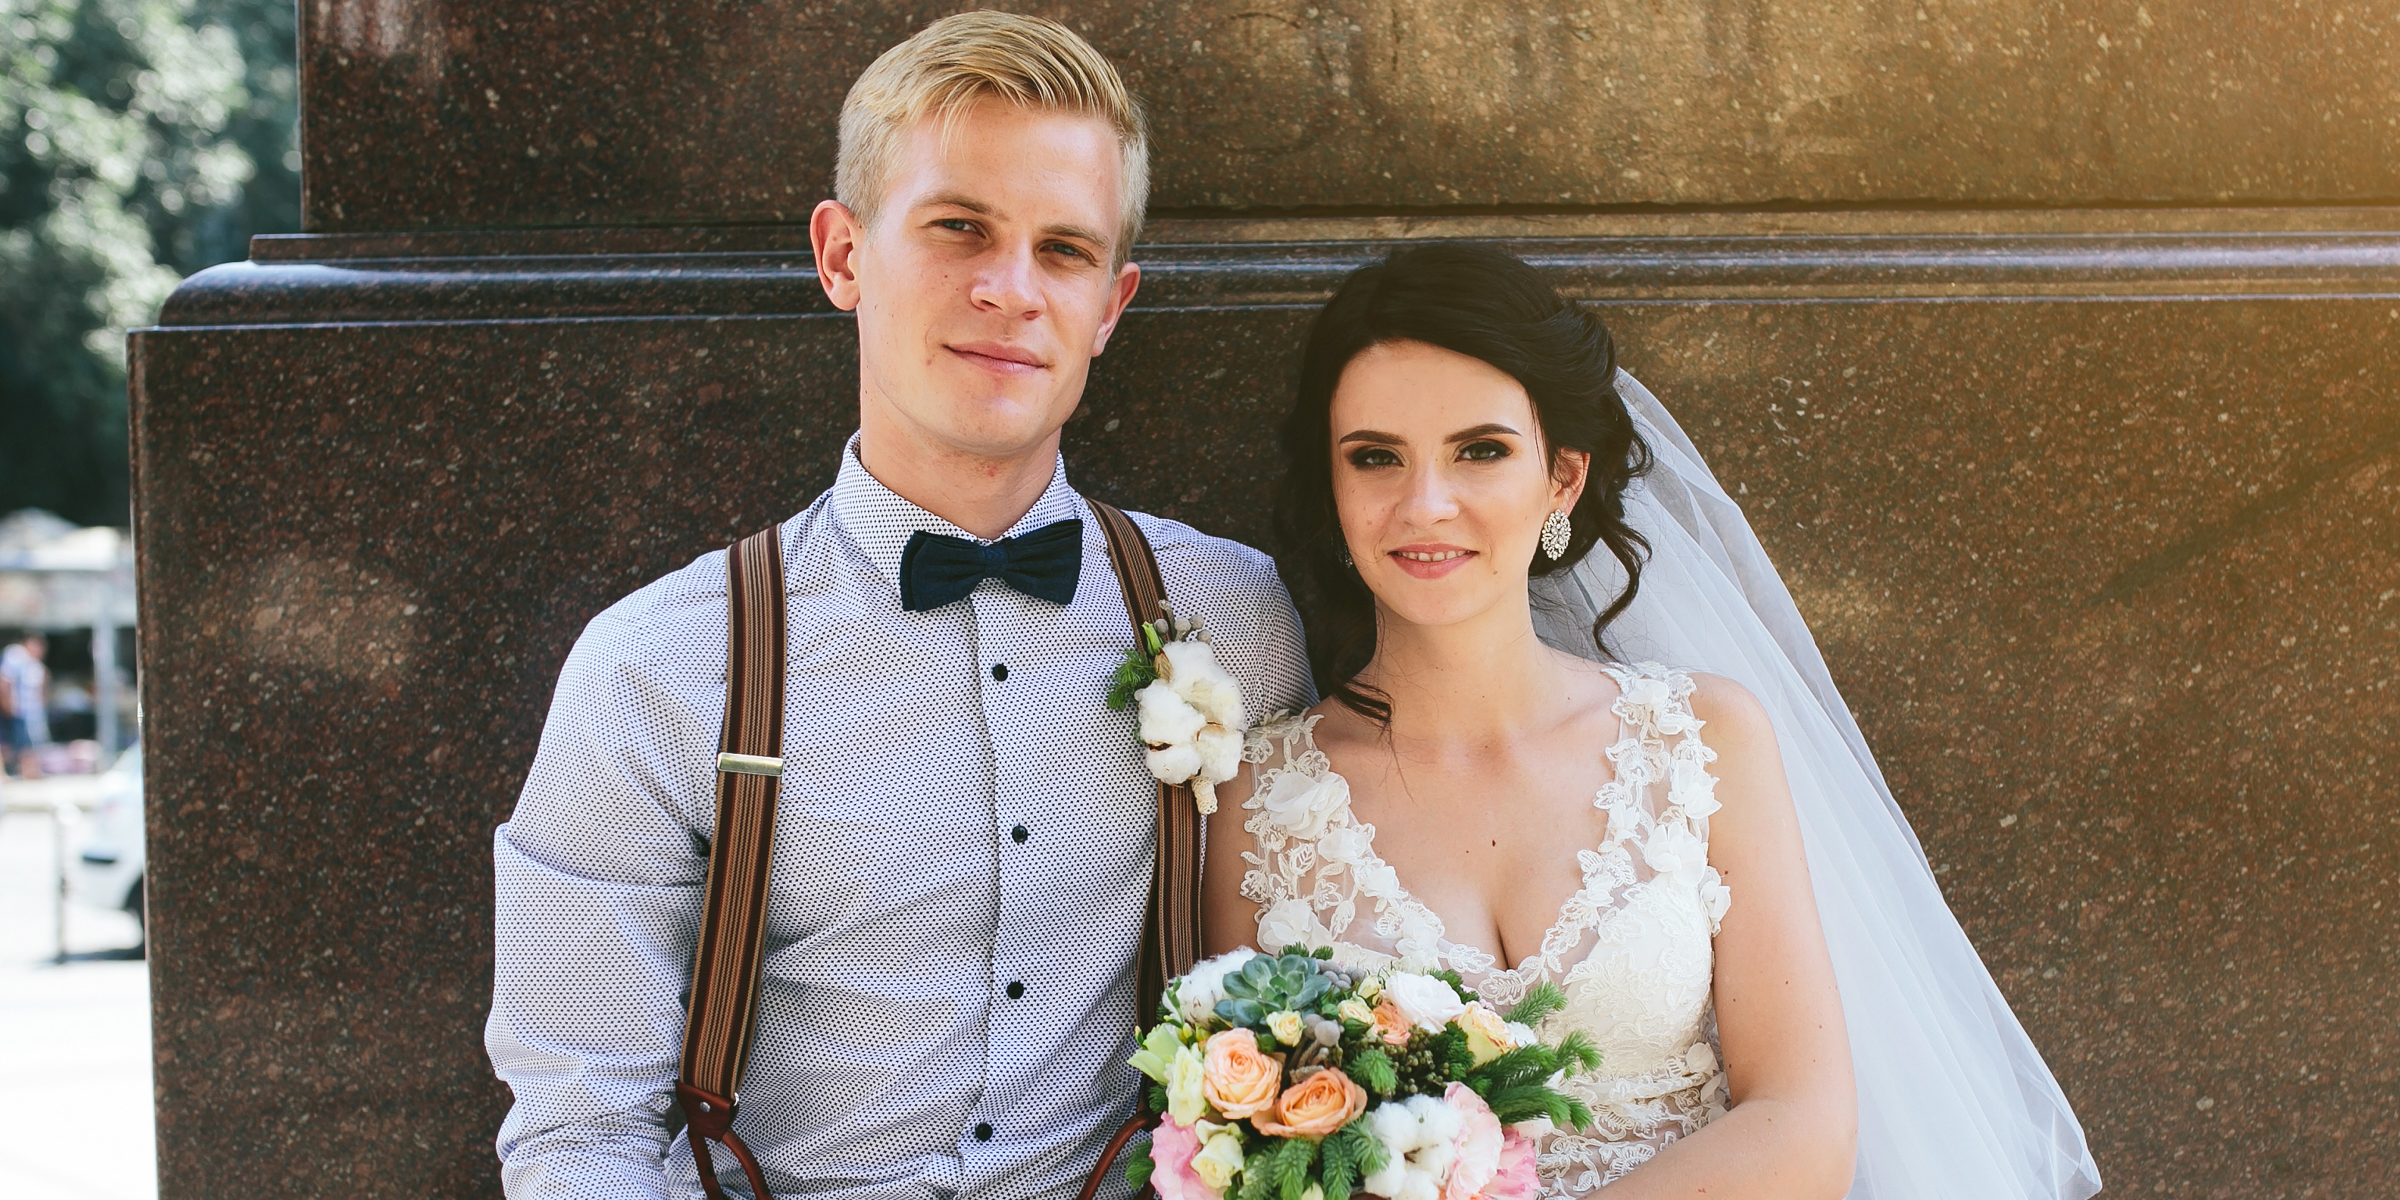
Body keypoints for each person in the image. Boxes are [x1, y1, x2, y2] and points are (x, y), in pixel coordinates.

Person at [485, 14, 1311, 1200]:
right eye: (958, 227)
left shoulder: (1238, 620)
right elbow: (580, 1128)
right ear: (842, 256)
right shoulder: (654, 670)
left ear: (1113, 304)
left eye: (1064, 250)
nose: (1010, 290)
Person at [1204, 245, 2101, 1199]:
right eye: (1376, 457)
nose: (1426, 503)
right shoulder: (1258, 796)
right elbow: (1247, 1152)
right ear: (1335, 489)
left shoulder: (1702, 738)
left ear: (1563, 477)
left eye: (1482, 450)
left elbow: (1804, 1121)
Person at [1, 632, 49, 778]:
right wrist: (7, 705)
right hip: (15, 710)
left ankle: (28, 771)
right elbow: (4, 681)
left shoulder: (33, 663)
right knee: (9, 743)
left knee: (27, 743)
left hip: (28, 712)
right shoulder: (15, 655)